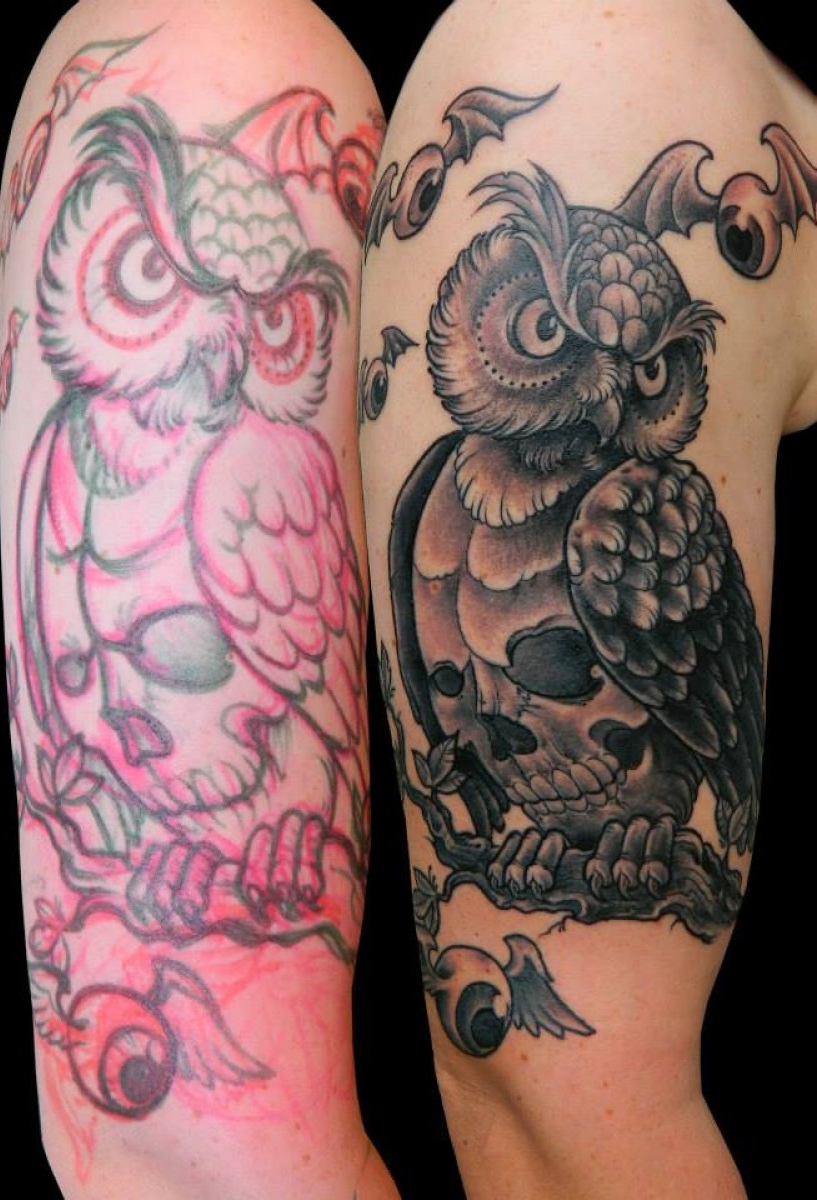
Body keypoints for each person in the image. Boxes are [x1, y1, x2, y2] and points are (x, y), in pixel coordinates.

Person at [358, 1, 816, 1197]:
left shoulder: (633, 512)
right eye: (548, 330)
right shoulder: (593, 57)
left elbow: (572, 1124)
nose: (607, 399)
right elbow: (555, 1112)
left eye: (648, 371)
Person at [0, 2, 397, 1196]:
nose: (219, 352)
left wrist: (289, 827)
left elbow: (218, 1159)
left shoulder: (251, 467)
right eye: (156, 278)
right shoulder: (213, 60)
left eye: (267, 319)